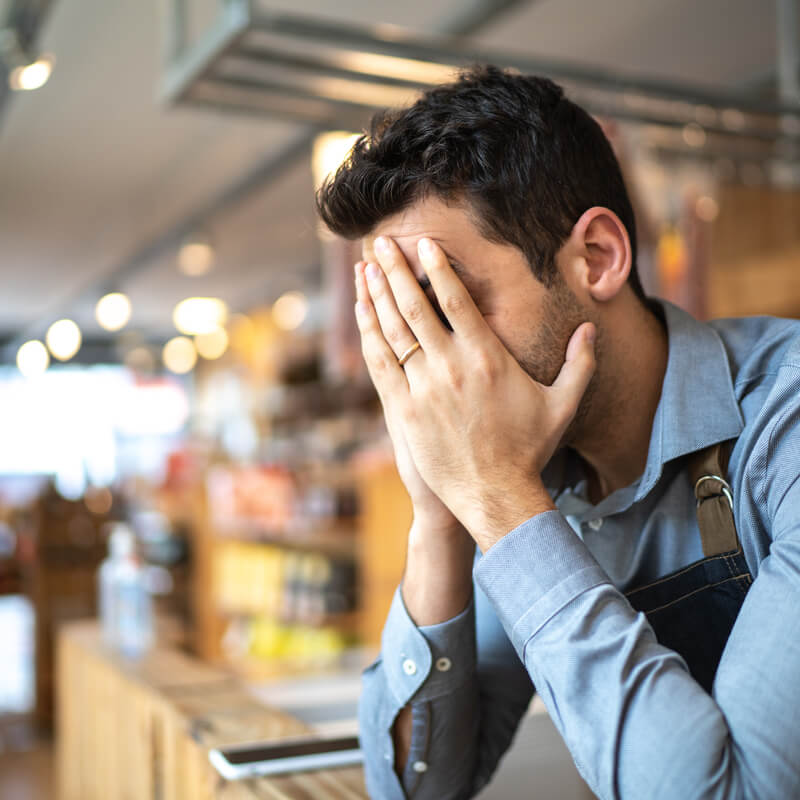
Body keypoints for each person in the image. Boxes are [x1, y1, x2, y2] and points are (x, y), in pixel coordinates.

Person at [315, 65, 800, 800]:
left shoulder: (783, 423)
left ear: (596, 258)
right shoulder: (520, 464)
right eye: (409, 322)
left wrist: (505, 505)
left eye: (453, 302)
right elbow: (411, 788)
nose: (436, 370)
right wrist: (439, 513)